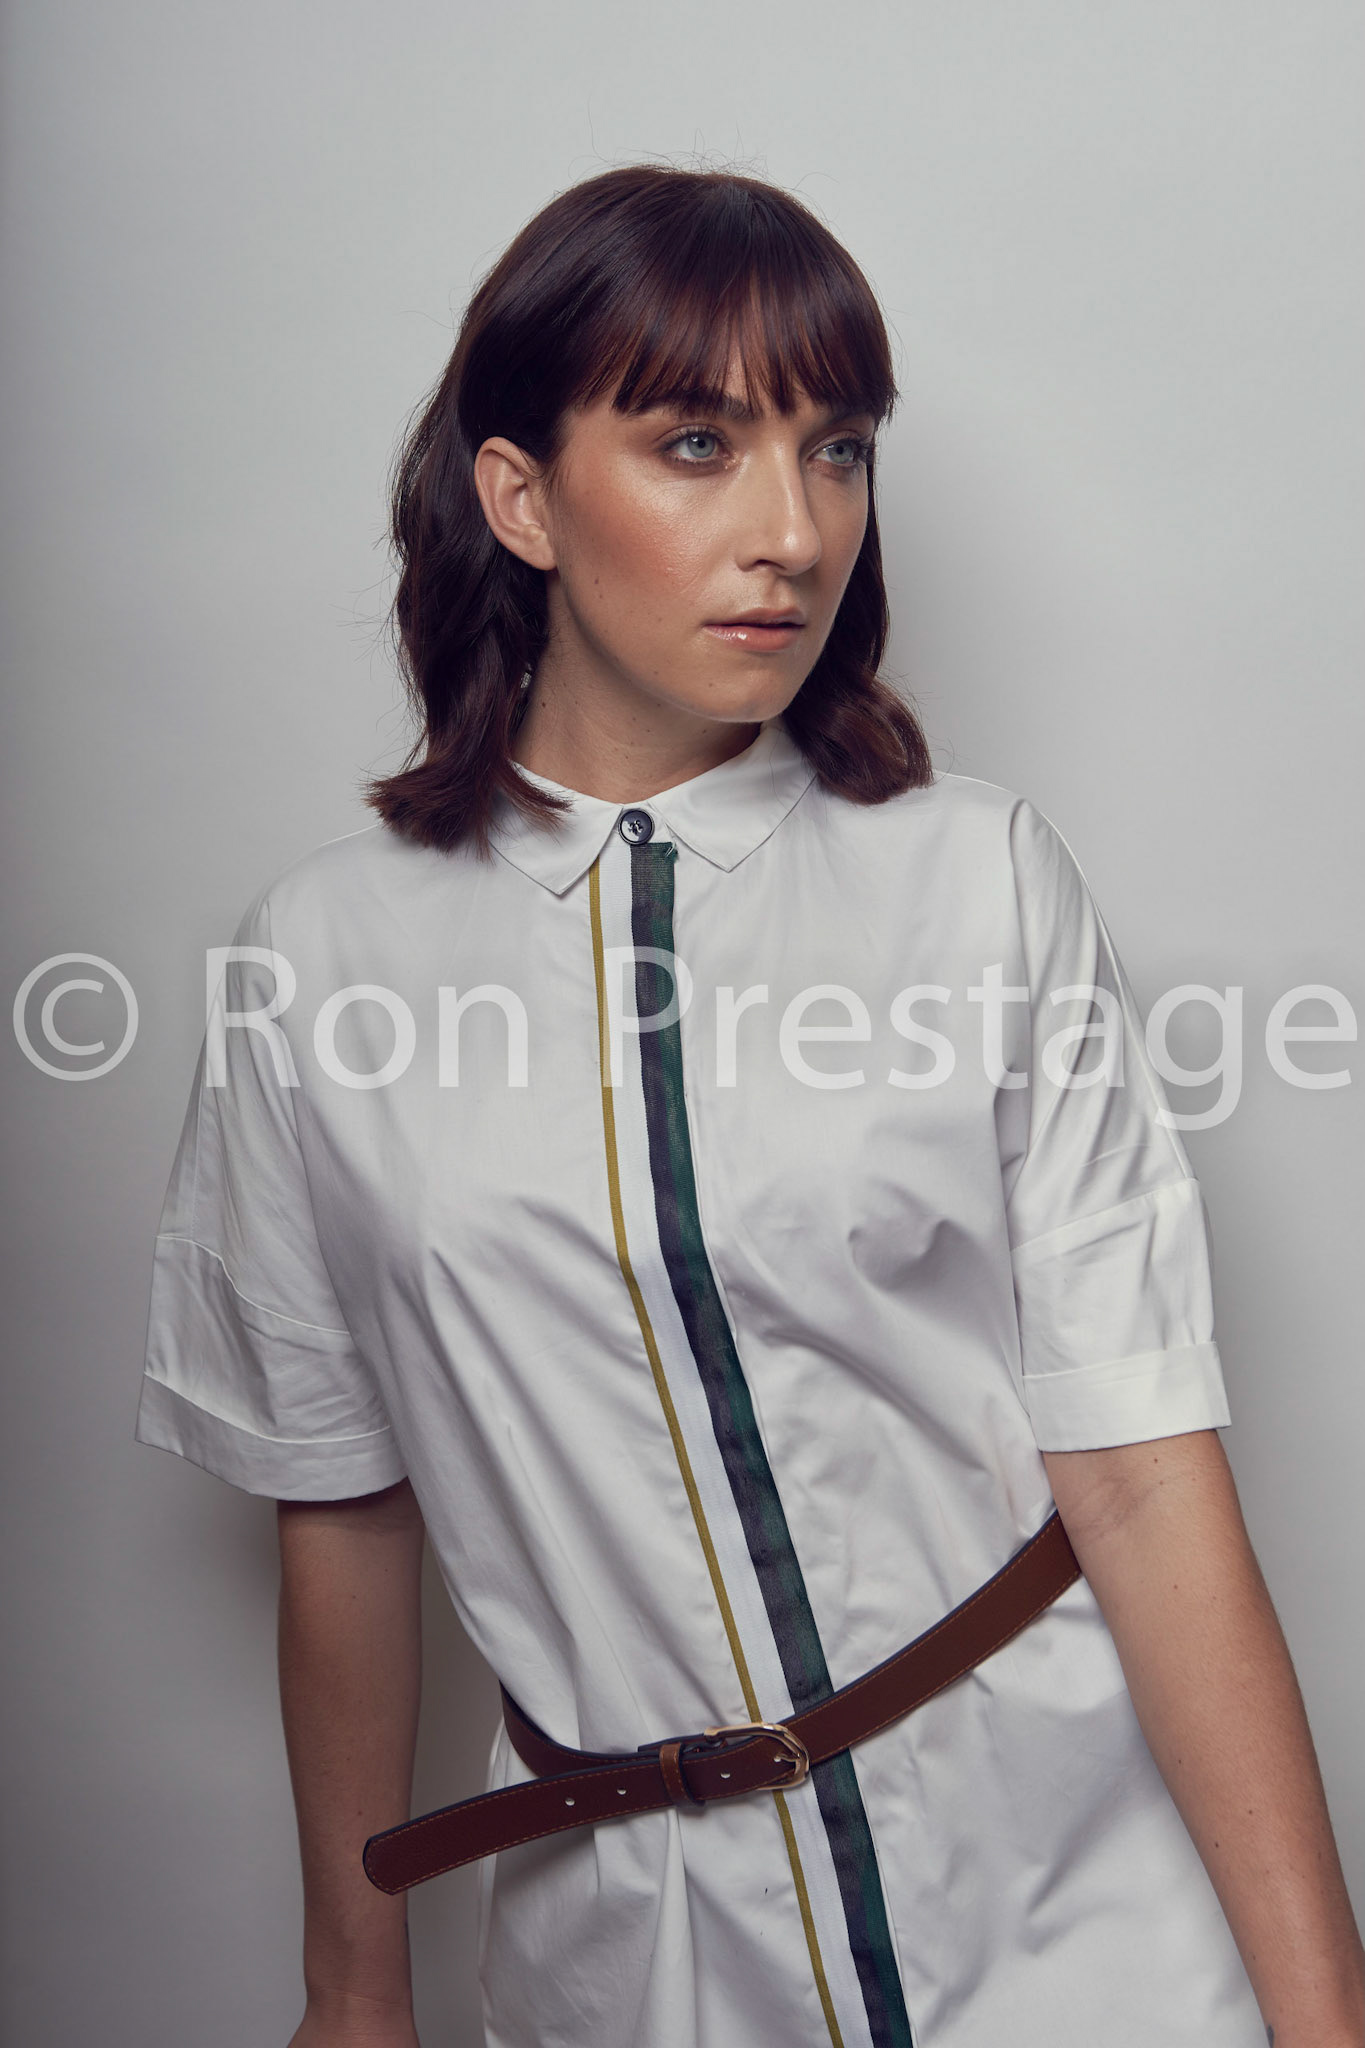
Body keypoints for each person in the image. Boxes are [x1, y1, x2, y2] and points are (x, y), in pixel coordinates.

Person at [133, 165, 1364, 2048]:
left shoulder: (977, 879)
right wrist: (352, 1992)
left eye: (837, 449)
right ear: (521, 497)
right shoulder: (316, 961)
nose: (793, 532)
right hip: (632, 1964)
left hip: (1077, 1920)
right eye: (697, 444)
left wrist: (1320, 2014)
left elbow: (1136, 1470)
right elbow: (343, 1504)